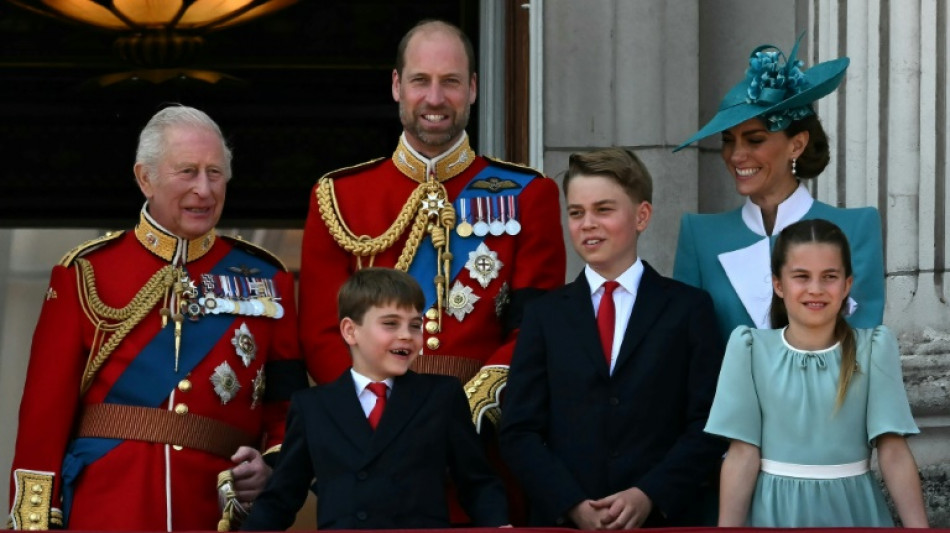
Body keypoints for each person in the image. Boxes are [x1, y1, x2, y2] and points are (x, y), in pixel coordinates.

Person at [7, 105, 308, 531]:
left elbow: (287, 412)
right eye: (187, 171)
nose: (204, 190)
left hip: (212, 514)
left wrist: (271, 469)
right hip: (107, 509)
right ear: (144, 178)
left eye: (215, 173)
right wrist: (34, 523)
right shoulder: (86, 273)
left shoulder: (267, 279)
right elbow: (43, 418)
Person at [298, 19, 566, 432]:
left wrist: (469, 408)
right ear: (396, 86)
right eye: (420, 80)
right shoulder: (338, 197)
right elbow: (322, 333)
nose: (435, 98)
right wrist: (372, 410)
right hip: (372, 440)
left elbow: (533, 329)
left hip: (482, 439)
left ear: (473, 88)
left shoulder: (529, 194)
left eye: (451, 82)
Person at [499, 148, 727, 529]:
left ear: (642, 216)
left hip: (662, 520)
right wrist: (570, 503)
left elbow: (708, 423)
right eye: (576, 212)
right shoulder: (544, 315)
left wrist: (650, 494)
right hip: (565, 523)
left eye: (603, 210)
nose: (587, 223)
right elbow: (519, 430)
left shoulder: (688, 309)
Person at [241, 267, 509, 530]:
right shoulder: (313, 407)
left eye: (415, 325)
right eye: (390, 323)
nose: (407, 334)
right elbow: (282, 498)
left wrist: (499, 525)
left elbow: (477, 483)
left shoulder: (442, 396)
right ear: (350, 331)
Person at [706, 218, 928, 527]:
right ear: (778, 284)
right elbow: (742, 454)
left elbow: (892, 451)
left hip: (854, 510)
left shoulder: (874, 348)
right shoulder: (750, 349)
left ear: (847, 284)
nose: (816, 289)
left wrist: (919, 528)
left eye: (829, 276)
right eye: (801, 276)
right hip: (774, 512)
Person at [672, 35, 885, 341]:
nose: (736, 155)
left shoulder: (855, 227)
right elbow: (688, 348)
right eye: (728, 141)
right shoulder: (699, 235)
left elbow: (862, 344)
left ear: (796, 145)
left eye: (755, 140)